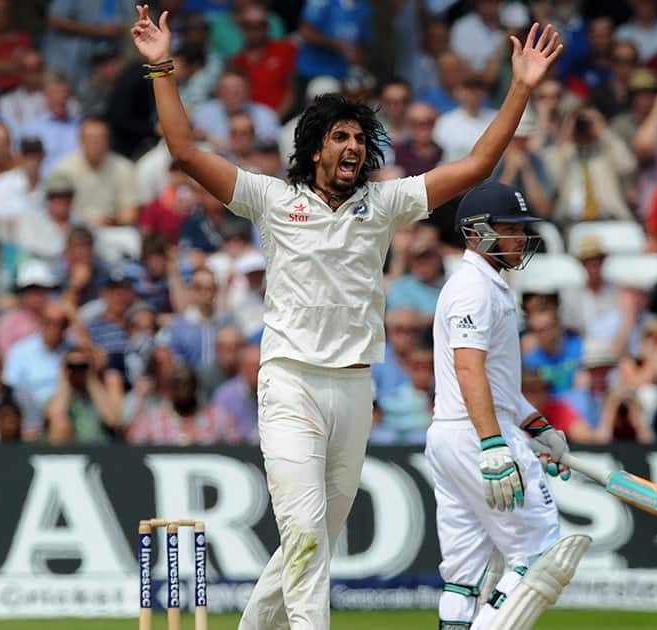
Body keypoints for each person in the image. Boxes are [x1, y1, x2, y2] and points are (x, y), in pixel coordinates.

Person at [131, 6, 563, 628]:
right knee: (305, 533)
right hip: (290, 383)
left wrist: (520, 87)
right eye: (339, 136)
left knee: (310, 544)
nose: (354, 146)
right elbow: (183, 149)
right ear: (312, 151)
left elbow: (474, 170)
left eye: (360, 138)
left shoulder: (384, 205)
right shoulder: (271, 199)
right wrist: (162, 67)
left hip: (353, 387)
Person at [429, 181, 588, 629]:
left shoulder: (489, 286)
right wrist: (494, 443)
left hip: (456, 434)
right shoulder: (472, 289)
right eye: (510, 229)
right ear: (478, 232)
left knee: (466, 575)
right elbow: (468, 371)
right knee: (539, 554)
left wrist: (538, 426)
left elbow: (495, 382)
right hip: (474, 433)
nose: (520, 238)